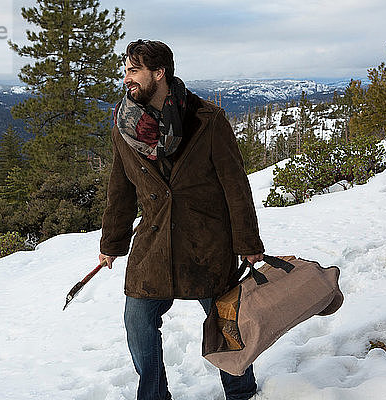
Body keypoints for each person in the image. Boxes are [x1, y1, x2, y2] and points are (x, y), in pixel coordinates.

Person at [99, 39, 265, 400]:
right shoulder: (124, 126)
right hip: (154, 242)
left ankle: (241, 391)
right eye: (125, 70)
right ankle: (154, 395)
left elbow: (236, 187)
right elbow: (120, 188)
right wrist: (112, 243)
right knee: (138, 321)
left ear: (158, 73)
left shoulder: (208, 121)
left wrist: (249, 245)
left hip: (206, 241)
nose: (127, 78)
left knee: (225, 321)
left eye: (133, 70)